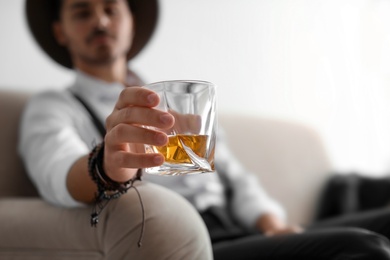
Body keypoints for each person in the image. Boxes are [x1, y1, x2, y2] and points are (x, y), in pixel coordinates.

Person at [19, 0, 390, 259]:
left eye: (111, 9)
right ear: (60, 31)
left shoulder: (178, 101)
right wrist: (107, 166)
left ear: (130, 22)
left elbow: (235, 177)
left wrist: (273, 224)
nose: (100, 21)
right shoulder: (53, 106)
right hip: (195, 242)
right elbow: (55, 169)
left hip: (243, 231)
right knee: (363, 249)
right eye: (82, 12)